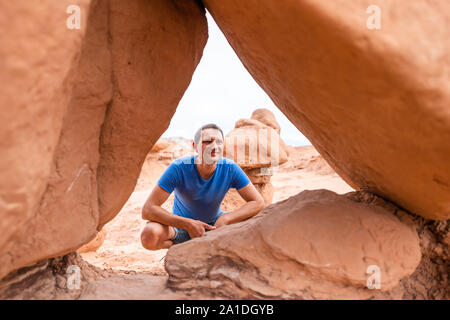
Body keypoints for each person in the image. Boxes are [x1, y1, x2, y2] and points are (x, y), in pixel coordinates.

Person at [140, 123, 265, 249]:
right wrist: (188, 224)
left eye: (219, 142)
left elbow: (258, 202)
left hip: (215, 227)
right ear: (195, 146)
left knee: (260, 221)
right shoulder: (179, 167)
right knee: (149, 235)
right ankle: (180, 249)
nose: (214, 146)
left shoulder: (230, 168)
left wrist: (225, 219)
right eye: (207, 141)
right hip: (180, 229)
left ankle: (217, 249)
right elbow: (148, 209)